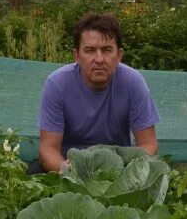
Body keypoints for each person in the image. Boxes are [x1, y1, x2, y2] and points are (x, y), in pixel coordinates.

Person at [37, 11, 160, 173]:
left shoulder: (133, 82)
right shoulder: (57, 84)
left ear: (119, 55)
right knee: (35, 175)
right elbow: (48, 148)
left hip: (118, 171)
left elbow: (148, 144)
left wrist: (126, 172)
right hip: (69, 167)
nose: (99, 59)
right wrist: (67, 172)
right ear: (77, 55)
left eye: (107, 50)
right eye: (90, 50)